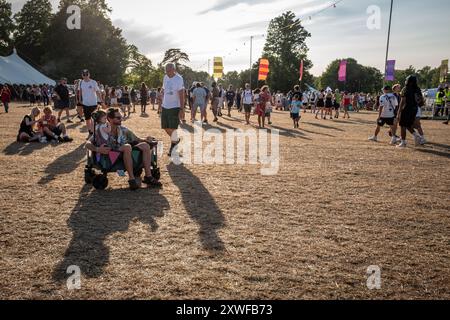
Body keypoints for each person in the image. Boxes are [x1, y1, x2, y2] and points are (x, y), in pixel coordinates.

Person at [86, 108, 162, 190]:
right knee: (127, 147)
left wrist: (147, 140)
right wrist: (97, 149)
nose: (121, 119)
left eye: (121, 117)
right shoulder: (101, 130)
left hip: (123, 152)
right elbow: (88, 143)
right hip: (110, 155)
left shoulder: (123, 130)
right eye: (118, 118)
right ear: (109, 119)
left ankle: (148, 176)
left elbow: (137, 139)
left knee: (145, 145)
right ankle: (131, 179)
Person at [161, 63, 185, 157]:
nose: (167, 72)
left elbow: (181, 93)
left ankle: (173, 148)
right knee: (166, 128)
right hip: (165, 106)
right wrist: (161, 94)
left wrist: (181, 108)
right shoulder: (165, 77)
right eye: (166, 70)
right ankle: (176, 140)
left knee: (173, 128)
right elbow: (163, 88)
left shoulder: (179, 79)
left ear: (174, 70)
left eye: (169, 70)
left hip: (174, 107)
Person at [397, 75, 423, 148]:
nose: (405, 81)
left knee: (402, 125)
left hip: (406, 109)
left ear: (409, 81)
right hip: (415, 109)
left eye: (406, 80)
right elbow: (421, 101)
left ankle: (403, 142)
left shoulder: (405, 89)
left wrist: (398, 112)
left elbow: (402, 102)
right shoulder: (418, 89)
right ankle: (416, 135)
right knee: (408, 125)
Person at [78, 70, 102, 139]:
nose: (85, 76)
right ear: (82, 75)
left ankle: (93, 131)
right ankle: (90, 132)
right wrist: (79, 99)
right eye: (84, 74)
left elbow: (97, 91)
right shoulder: (81, 82)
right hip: (85, 103)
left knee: (94, 119)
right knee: (87, 119)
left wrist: (101, 100)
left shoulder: (93, 82)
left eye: (86, 74)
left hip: (93, 103)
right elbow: (80, 91)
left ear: (89, 74)